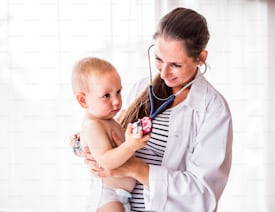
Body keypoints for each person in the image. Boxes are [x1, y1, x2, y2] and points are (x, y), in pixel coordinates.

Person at [75, 7, 233, 212]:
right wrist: (84, 147)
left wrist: (135, 168)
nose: (164, 72)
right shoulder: (142, 87)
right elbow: (108, 126)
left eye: (175, 64)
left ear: (201, 58)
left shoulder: (212, 109)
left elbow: (203, 194)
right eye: (159, 59)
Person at [71, 57, 150, 212]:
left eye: (118, 92)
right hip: (107, 197)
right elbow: (106, 161)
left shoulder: (108, 120)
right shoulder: (93, 125)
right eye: (106, 96)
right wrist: (129, 146)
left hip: (121, 196)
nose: (116, 101)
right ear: (83, 100)